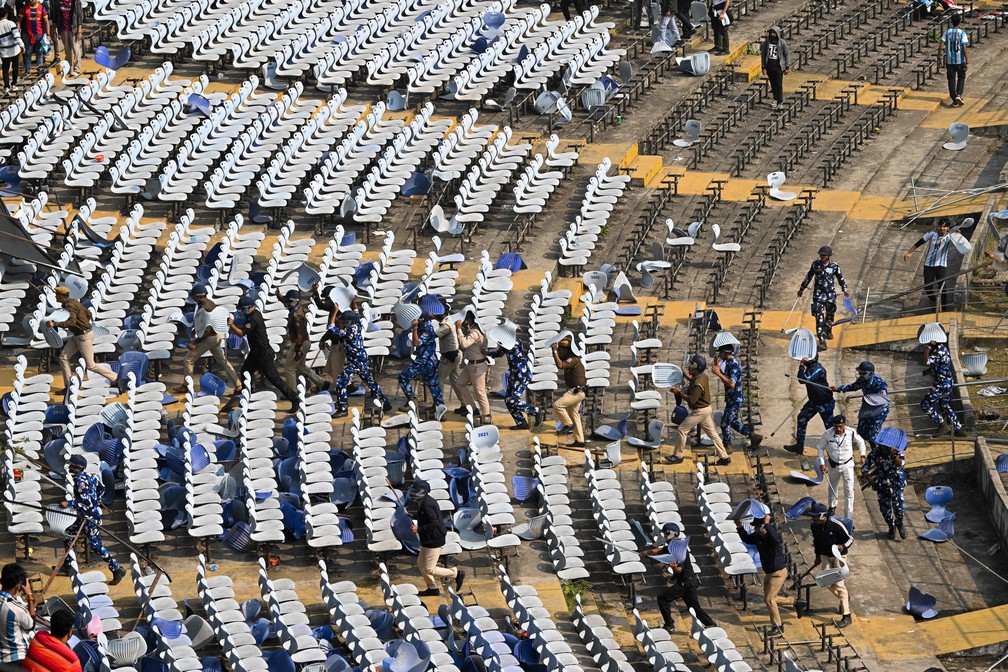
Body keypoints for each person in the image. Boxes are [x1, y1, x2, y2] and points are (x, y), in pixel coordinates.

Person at [60, 455, 127, 585]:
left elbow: (87, 503)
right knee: (67, 535)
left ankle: (116, 568)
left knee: (97, 547)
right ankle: (68, 565)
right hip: (83, 517)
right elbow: (101, 488)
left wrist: (69, 504)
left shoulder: (80, 482)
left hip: (89, 519)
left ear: (78, 468)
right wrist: (97, 498)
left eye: (72, 465)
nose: (69, 467)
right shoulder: (90, 476)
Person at [227, 297, 299, 413]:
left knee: (275, 379)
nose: (241, 311)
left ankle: (295, 399)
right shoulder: (251, 315)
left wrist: (231, 325)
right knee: (245, 371)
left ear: (249, 307)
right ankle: (246, 397)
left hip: (263, 354)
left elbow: (241, 333)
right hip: (255, 353)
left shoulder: (254, 318)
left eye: (243, 309)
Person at [641, 523, 716, 632]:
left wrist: (673, 567)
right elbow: (661, 550)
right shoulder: (674, 545)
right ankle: (711, 624)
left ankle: (669, 625)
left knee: (662, 599)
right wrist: (647, 552)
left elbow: (679, 569)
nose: (664, 535)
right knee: (694, 607)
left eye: (666, 533)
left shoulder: (678, 550)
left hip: (685, 583)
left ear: (673, 533)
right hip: (690, 582)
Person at [319, 307, 389, 416]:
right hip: (362, 360)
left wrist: (334, 311)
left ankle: (343, 409)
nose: (341, 323)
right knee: (371, 382)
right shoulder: (358, 325)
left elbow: (330, 327)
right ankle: (385, 403)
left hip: (356, 362)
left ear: (350, 322)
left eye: (344, 321)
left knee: (340, 382)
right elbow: (356, 313)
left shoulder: (349, 331)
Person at [48, 286, 118, 394]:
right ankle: (69, 387)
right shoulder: (73, 302)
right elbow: (88, 314)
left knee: (91, 365)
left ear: (61, 297)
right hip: (78, 336)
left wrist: (56, 324)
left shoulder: (70, 305)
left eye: (56, 295)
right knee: (63, 358)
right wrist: (82, 323)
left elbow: (71, 322)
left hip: (83, 337)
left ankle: (116, 378)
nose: (55, 297)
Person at [174, 283, 239, 395]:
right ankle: (238, 385)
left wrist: (195, 342)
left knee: (188, 360)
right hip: (216, 337)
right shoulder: (209, 303)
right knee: (223, 361)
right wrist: (196, 328)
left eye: (194, 297)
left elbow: (207, 330)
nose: (193, 299)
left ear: (199, 296)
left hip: (209, 338)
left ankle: (187, 386)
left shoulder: (205, 308)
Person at [666, 355, 730, 465]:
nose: (689, 367)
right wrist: (685, 374)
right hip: (706, 409)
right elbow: (692, 379)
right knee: (713, 434)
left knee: (682, 430)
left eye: (692, 365)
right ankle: (724, 457)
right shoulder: (702, 376)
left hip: (699, 411)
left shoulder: (697, 384)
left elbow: (691, 401)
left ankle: (678, 456)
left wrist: (679, 393)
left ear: (697, 368)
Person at [800, 503, 853, 628]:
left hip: (838, 556)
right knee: (825, 582)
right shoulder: (814, 526)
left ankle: (847, 615)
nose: (814, 519)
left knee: (839, 585)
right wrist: (817, 556)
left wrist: (843, 546)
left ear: (823, 515)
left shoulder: (836, 525)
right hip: (824, 555)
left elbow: (850, 539)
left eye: (816, 517)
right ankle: (844, 598)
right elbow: (816, 542)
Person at [736, 512, 789, 635]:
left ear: (762, 527)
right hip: (769, 572)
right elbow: (747, 539)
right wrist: (739, 527)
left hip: (778, 572)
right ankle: (795, 602)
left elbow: (775, 539)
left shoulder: (772, 537)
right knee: (771, 599)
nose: (754, 528)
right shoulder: (758, 536)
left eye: (756, 526)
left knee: (769, 599)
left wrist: (767, 524)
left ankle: (777, 626)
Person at [409, 480, 464, 597]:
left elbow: (434, 522)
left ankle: (455, 573)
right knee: (420, 563)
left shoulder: (427, 504)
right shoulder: (422, 501)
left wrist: (418, 529)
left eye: (415, 491)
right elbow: (426, 517)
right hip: (427, 539)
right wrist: (413, 516)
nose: (413, 493)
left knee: (429, 569)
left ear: (423, 492)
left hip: (433, 540)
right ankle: (432, 588)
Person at [488, 325, 544, 430]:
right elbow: (499, 352)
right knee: (508, 400)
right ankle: (521, 422)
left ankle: (535, 411)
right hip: (514, 374)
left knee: (512, 400)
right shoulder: (509, 342)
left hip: (521, 375)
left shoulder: (513, 343)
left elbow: (500, 351)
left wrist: (487, 352)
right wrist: (487, 352)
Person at [798, 246, 849, 351]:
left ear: (829, 256)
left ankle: (828, 329)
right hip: (818, 295)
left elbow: (841, 279)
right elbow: (809, 276)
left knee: (830, 316)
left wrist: (845, 289)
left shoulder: (835, 266)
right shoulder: (815, 264)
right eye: (821, 254)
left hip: (830, 295)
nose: (822, 256)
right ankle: (822, 341)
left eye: (824, 255)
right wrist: (802, 288)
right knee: (819, 317)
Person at [711, 344, 762, 450]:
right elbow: (727, 378)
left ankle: (727, 445)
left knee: (725, 422)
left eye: (721, 353)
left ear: (726, 353)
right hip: (731, 398)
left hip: (735, 398)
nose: (720, 355)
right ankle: (752, 436)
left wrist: (719, 374)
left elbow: (731, 384)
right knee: (732, 421)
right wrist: (719, 370)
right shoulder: (729, 363)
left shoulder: (733, 365)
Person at [816, 415, 866, 520]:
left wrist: (862, 455)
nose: (838, 429)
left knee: (849, 491)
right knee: (832, 486)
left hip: (847, 465)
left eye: (840, 426)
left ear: (844, 425)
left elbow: (861, 442)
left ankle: (848, 515)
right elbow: (820, 447)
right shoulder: (827, 434)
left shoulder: (851, 432)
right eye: (836, 426)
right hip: (833, 464)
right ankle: (832, 506)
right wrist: (822, 462)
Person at [833, 361, 888, 452]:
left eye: (862, 373)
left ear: (869, 373)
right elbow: (854, 386)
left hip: (879, 410)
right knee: (861, 431)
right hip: (867, 407)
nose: (860, 374)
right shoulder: (862, 380)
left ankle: (878, 454)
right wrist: (839, 388)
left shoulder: (880, 383)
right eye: (859, 372)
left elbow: (882, 398)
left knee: (873, 435)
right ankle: (867, 447)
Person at [276, 288, 324, 393]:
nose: (287, 304)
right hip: (304, 343)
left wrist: (297, 351)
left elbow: (299, 337)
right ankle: (322, 383)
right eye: (287, 301)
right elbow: (286, 301)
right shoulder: (296, 307)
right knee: (302, 367)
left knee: (289, 368)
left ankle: (292, 393)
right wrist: (279, 296)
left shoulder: (297, 316)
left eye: (290, 301)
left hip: (300, 344)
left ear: (296, 301)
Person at [785, 356, 835, 454]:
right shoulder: (811, 368)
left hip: (824, 402)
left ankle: (836, 449)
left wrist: (801, 366)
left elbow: (803, 379)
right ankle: (799, 446)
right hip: (813, 401)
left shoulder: (817, 369)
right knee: (802, 418)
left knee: (830, 427)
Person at [903, 220, 955, 310]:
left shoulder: (951, 237)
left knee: (943, 286)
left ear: (948, 228)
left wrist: (958, 235)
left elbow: (961, 243)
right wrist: (909, 253)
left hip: (941, 265)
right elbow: (919, 243)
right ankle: (933, 301)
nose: (942, 228)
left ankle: (944, 307)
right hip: (928, 265)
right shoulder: (931, 234)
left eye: (944, 227)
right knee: (927, 287)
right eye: (941, 226)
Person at [398, 313, 444, 412]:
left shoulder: (427, 329)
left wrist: (414, 328)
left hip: (424, 362)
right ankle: (439, 407)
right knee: (433, 384)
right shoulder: (424, 325)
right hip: (427, 360)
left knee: (403, 376)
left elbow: (416, 343)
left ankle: (412, 399)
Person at [861, 442, 907, 540]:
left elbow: (902, 463)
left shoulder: (897, 450)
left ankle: (899, 523)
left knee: (898, 506)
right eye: (883, 446)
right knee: (885, 509)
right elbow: (865, 467)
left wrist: (894, 456)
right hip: (882, 483)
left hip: (896, 482)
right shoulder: (875, 452)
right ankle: (891, 527)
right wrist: (867, 476)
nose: (885, 447)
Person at [920, 335, 964, 436]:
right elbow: (940, 365)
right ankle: (958, 428)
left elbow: (925, 361)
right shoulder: (943, 348)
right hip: (948, 382)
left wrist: (928, 348)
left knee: (925, 404)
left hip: (941, 385)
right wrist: (929, 370)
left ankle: (942, 424)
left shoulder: (938, 351)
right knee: (944, 405)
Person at [454, 310, 490, 421]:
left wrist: (459, 329)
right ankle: (473, 409)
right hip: (471, 364)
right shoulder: (473, 329)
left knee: (480, 392)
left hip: (477, 366)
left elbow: (464, 344)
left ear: (469, 320)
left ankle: (486, 417)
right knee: (460, 383)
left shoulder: (475, 332)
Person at [551, 336, 586, 448]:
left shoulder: (573, 359)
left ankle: (568, 425)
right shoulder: (569, 358)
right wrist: (555, 352)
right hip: (576, 391)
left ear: (567, 350)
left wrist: (554, 351)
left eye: (561, 350)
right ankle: (579, 440)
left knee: (557, 405)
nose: (560, 352)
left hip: (577, 392)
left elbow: (560, 365)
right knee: (574, 414)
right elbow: (559, 362)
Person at [0, 563, 35, 664]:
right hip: (16, 659)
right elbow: (30, 625)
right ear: (18, 586)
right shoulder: (16, 609)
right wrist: (30, 595)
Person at [940, 13, 968, 106]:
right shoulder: (962, 33)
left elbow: (940, 46)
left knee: (951, 79)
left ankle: (954, 98)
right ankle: (959, 95)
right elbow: (964, 47)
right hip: (960, 60)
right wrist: (967, 60)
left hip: (949, 60)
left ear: (951, 22)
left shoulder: (947, 32)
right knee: (961, 77)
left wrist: (938, 58)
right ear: (959, 22)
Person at [761, 27, 792, 109]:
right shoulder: (767, 42)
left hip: (778, 67)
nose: (772, 34)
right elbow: (763, 54)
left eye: (774, 33)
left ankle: (780, 101)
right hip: (769, 66)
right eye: (771, 33)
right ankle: (775, 99)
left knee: (779, 84)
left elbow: (787, 54)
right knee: (773, 84)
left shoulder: (782, 42)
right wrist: (763, 66)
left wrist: (787, 66)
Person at [435, 311, 461, 406]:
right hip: (455, 355)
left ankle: (439, 405)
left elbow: (433, 334)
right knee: (456, 381)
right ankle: (465, 404)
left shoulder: (446, 326)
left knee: (439, 381)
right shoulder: (450, 320)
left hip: (449, 357)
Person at [48, 0, 79, 77]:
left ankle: (77, 69)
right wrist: (54, 28)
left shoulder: (75, 1)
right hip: (63, 29)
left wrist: (79, 31)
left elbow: (80, 16)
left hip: (73, 29)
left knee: (76, 49)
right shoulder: (57, 2)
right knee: (67, 49)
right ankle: (69, 68)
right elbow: (55, 15)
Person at [18, 0, 47, 73]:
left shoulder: (42, 8)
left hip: (39, 35)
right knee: (27, 53)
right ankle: (27, 71)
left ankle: (39, 71)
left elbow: (46, 21)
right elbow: (19, 21)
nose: (31, 0)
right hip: (27, 35)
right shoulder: (24, 9)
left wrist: (48, 34)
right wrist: (17, 34)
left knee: (39, 53)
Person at [0, 5, 24, 89]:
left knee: (5, 69)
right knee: (15, 67)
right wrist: (22, 46)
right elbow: (17, 36)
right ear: (6, 15)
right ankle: (14, 84)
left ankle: (6, 86)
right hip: (14, 50)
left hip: (3, 52)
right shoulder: (11, 23)